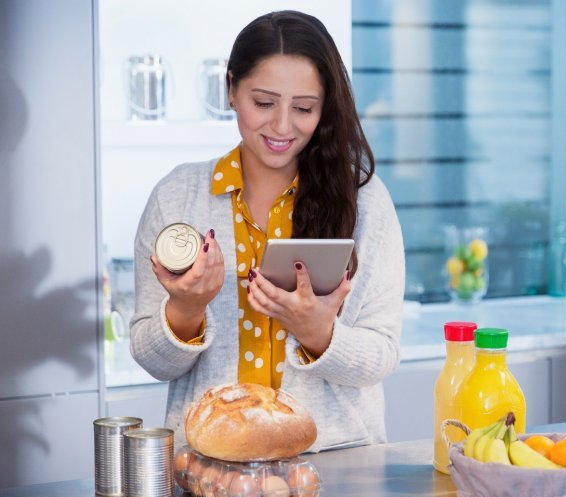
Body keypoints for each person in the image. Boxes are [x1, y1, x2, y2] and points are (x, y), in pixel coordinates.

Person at [130, 10, 405, 451]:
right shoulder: (177, 195)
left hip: (333, 464)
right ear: (232, 88)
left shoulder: (364, 199)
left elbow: (382, 356)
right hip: (211, 467)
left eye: (303, 108)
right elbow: (152, 360)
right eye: (263, 102)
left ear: (325, 107)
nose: (281, 126)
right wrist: (186, 308)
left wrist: (318, 331)